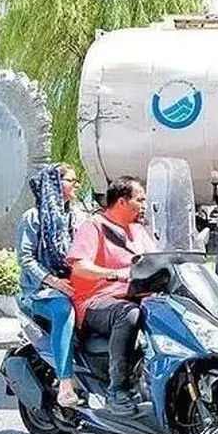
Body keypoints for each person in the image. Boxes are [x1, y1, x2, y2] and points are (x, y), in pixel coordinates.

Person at [66, 176, 157, 416]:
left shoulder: (139, 231)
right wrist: (115, 274)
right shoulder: (94, 226)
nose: (145, 205)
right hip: (95, 302)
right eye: (140, 200)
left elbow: (157, 259)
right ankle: (118, 391)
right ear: (121, 202)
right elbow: (80, 268)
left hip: (135, 296)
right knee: (129, 314)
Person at [15, 163, 84, 408]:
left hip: (74, 282)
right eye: (71, 180)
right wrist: (54, 281)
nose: (77, 184)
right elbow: (26, 258)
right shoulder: (33, 218)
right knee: (63, 310)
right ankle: (65, 383)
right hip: (40, 291)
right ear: (54, 184)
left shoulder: (77, 216)